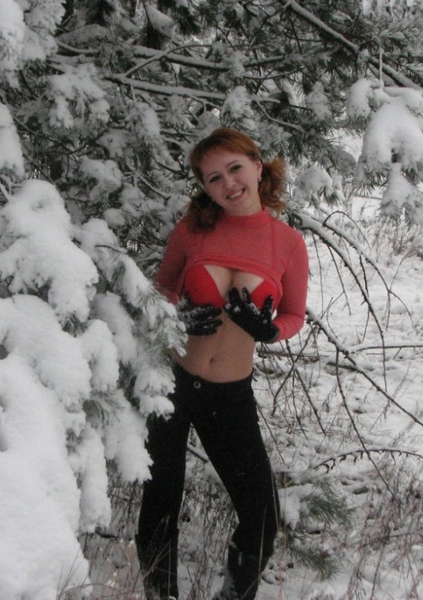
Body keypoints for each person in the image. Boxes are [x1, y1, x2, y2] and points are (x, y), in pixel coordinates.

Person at [136, 128, 309, 600]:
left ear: (257, 166)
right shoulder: (192, 230)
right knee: (160, 504)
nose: (228, 183)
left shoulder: (288, 243)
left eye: (235, 169)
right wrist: (175, 315)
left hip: (229, 395)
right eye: (214, 178)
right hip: (174, 382)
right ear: (205, 188)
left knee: (262, 515)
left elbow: (294, 314)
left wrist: (270, 332)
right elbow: (161, 291)